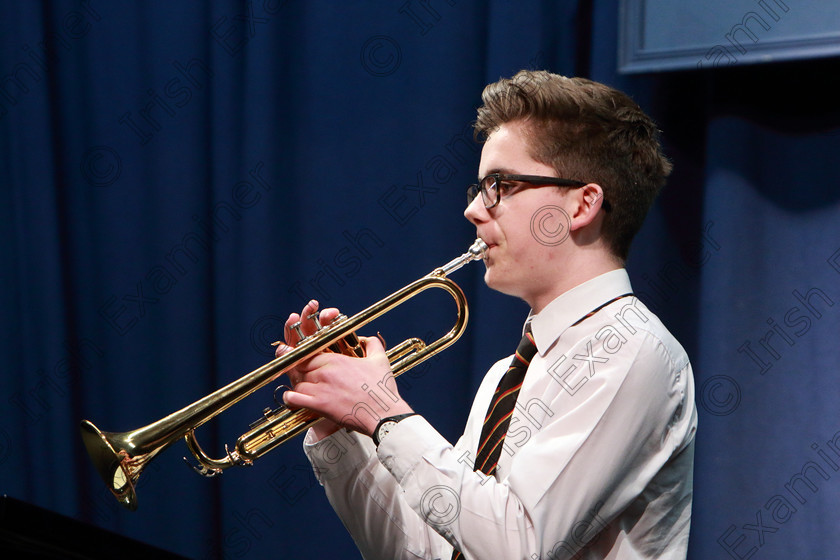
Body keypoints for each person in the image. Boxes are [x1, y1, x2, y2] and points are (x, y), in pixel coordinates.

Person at [278, 70, 697, 559]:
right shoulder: (510, 374)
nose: (474, 211)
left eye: (499, 184)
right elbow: (426, 552)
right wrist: (340, 425)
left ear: (582, 205)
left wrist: (383, 413)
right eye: (478, 189)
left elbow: (518, 546)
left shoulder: (631, 351)